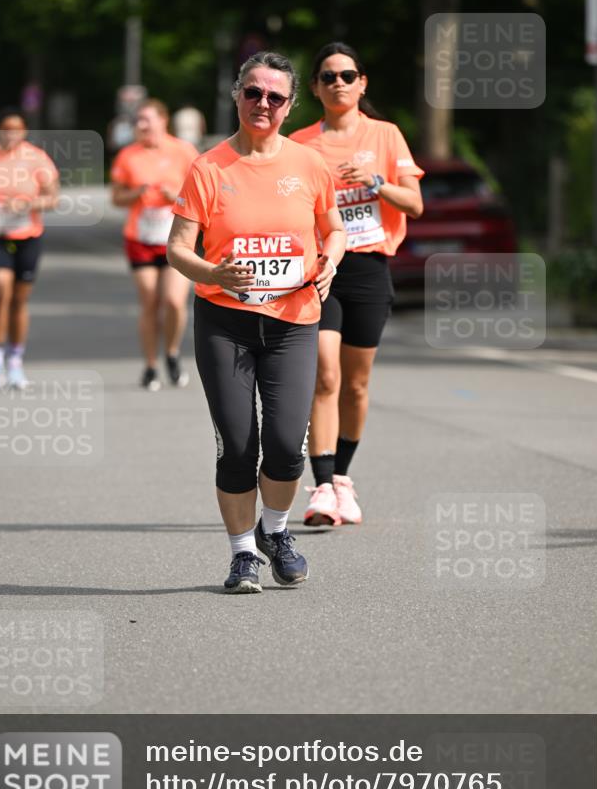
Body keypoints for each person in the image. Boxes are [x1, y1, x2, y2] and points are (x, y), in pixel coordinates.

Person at [167, 51, 346, 594]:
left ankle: (277, 530)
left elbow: (334, 229)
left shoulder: (309, 164)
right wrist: (213, 271)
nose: (262, 103)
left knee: (288, 444)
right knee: (239, 446)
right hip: (225, 322)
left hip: (294, 320)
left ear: (290, 106)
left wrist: (331, 262)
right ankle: (243, 552)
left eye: (274, 96)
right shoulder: (209, 167)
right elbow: (178, 249)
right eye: (252, 92)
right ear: (237, 96)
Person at [290, 42, 424, 527]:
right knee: (325, 376)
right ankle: (322, 487)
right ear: (315, 88)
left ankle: (343, 478)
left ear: (362, 83)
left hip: (369, 267)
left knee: (356, 384)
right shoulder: (301, 144)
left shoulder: (385, 135)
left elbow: (414, 204)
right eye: (328, 77)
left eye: (347, 75)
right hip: (322, 267)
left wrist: (374, 182)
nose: (339, 84)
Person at [0, 108, 59, 389]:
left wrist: (28, 204)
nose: (11, 134)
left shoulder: (37, 158)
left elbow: (52, 198)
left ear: (24, 131)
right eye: (6, 128)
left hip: (27, 234)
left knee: (18, 300)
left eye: (16, 129)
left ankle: (15, 360)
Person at [111, 98, 199, 390]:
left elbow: (201, 193)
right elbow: (116, 198)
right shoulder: (128, 156)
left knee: (174, 301)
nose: (141, 125)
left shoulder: (183, 151)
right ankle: (150, 365)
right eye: (138, 120)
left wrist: (176, 196)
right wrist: (137, 193)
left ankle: (171, 352)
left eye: (147, 119)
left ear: (163, 120)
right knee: (150, 302)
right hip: (141, 238)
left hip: (177, 237)